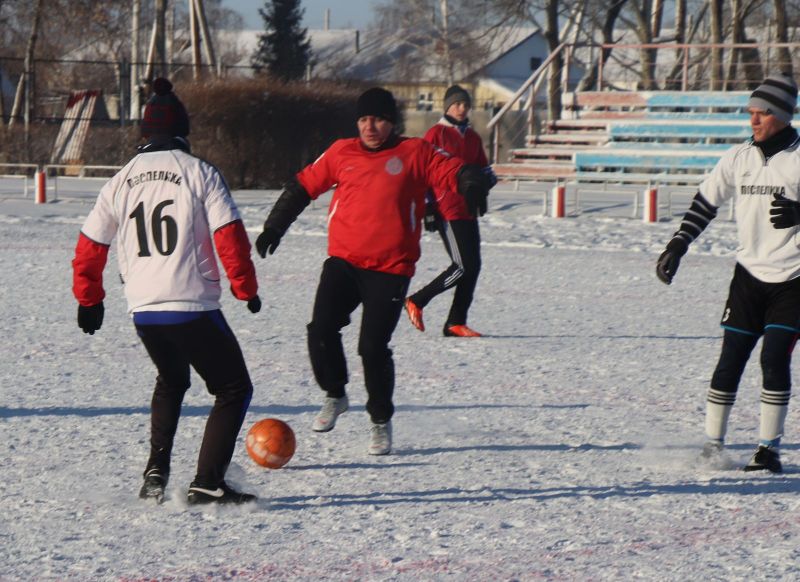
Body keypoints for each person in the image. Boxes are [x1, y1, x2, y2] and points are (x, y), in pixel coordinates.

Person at [254, 87, 490, 455]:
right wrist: (274, 226)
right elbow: (303, 186)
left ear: (391, 122)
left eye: (378, 119)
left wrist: (469, 180)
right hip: (344, 262)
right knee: (320, 329)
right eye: (364, 119)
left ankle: (380, 420)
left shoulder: (414, 151)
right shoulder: (341, 152)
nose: (370, 126)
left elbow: (451, 169)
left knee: (372, 348)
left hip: (391, 268)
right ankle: (335, 394)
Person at [72, 77, 261, 504]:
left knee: (172, 379)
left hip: (144, 309)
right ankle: (208, 483)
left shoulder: (119, 180)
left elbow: (89, 247)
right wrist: (245, 288)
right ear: (182, 131)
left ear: (144, 133)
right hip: (191, 303)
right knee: (233, 388)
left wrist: (89, 299)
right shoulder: (199, 172)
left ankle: (155, 473)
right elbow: (230, 236)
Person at [656, 73, 800, 474]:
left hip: (793, 280)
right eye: (751, 112)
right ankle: (712, 446)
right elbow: (705, 202)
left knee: (773, 358)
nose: (753, 120)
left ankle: (768, 450)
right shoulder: (738, 157)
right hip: (748, 277)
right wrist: (678, 244)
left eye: (762, 113)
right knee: (730, 360)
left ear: (783, 115)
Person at [404, 85, 497, 337]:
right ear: (447, 107)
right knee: (463, 265)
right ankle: (417, 300)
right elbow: (422, 172)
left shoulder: (473, 137)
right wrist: (428, 208)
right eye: (457, 104)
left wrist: (485, 185)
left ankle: (456, 322)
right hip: (446, 208)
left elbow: (484, 169)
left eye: (465, 104)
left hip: (468, 208)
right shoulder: (436, 133)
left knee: (473, 266)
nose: (461, 108)